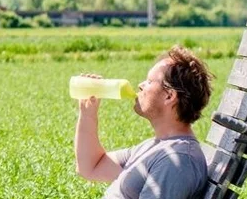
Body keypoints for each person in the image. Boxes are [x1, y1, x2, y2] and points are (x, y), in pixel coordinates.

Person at [73, 45, 214, 199]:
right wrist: (87, 113)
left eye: (149, 81)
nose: (140, 85)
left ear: (169, 96)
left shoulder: (177, 160)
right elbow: (91, 167)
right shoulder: (156, 147)